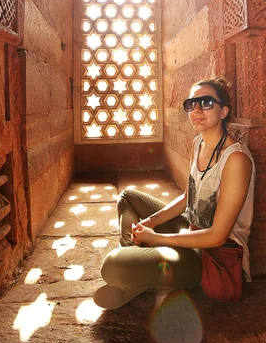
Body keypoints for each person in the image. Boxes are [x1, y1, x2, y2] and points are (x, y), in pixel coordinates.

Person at [93, 77, 255, 309]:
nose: (197, 109)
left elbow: (217, 236)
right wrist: (148, 223)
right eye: (191, 104)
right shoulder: (198, 143)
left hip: (211, 257)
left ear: (223, 111)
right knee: (128, 197)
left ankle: (136, 273)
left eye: (206, 102)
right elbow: (188, 199)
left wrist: (156, 238)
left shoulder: (236, 159)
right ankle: (140, 271)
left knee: (112, 265)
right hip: (191, 230)